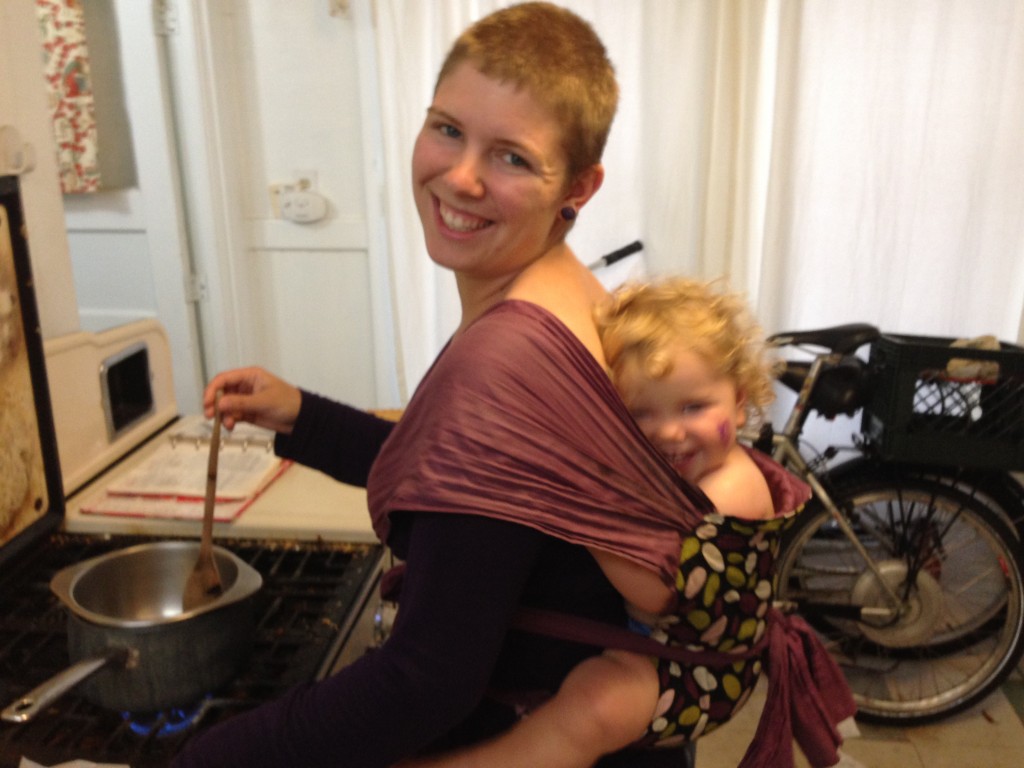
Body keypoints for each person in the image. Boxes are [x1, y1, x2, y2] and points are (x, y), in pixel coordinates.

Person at [172, 4, 708, 767]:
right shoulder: (572, 301)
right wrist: (301, 416)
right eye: (448, 128)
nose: (459, 177)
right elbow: (476, 485)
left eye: (512, 158)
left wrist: (211, 760)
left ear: (579, 187)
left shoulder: (509, 362)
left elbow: (425, 682)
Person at [404, 278, 859, 768]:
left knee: (594, 710)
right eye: (639, 413)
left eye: (694, 407)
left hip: (701, 671)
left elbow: (655, 590)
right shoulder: (675, 471)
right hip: (662, 646)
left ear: (740, 401)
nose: (668, 431)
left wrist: (581, 509)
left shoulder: (730, 489)